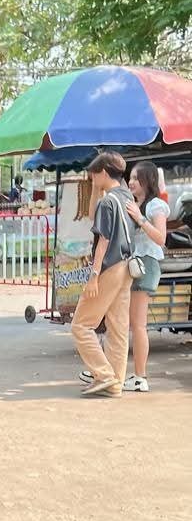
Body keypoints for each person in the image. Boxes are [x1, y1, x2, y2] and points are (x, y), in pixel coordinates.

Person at [70, 151, 133, 396]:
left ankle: (104, 375)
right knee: (117, 328)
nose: (91, 179)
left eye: (94, 176)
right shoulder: (125, 197)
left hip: (109, 267)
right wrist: (98, 188)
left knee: (81, 325)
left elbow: (103, 241)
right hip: (127, 267)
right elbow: (92, 214)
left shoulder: (108, 203)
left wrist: (94, 275)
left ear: (104, 173)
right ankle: (114, 384)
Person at [124, 160, 168, 392]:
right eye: (130, 177)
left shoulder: (155, 205)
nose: (131, 182)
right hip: (132, 266)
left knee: (138, 324)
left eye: (135, 178)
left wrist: (139, 218)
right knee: (127, 323)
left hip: (146, 264)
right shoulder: (134, 204)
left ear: (147, 181)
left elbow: (161, 237)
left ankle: (140, 377)